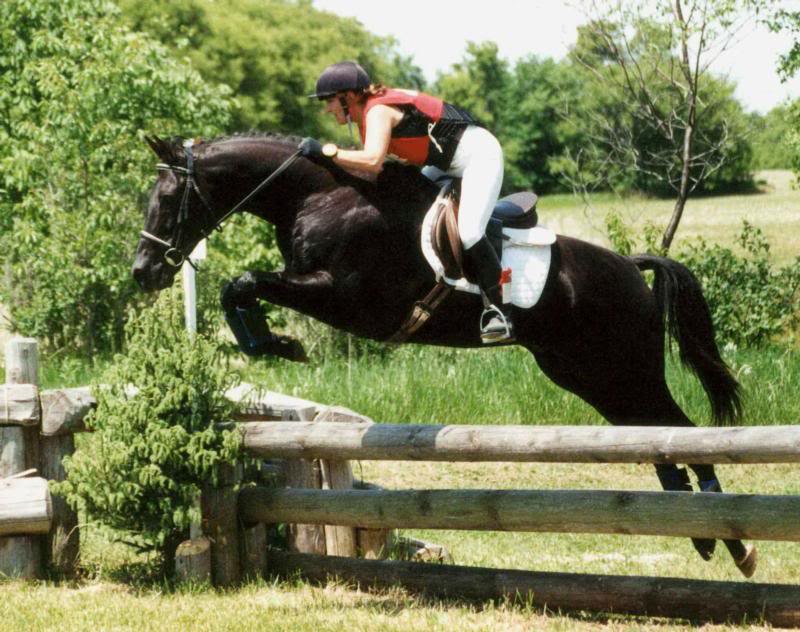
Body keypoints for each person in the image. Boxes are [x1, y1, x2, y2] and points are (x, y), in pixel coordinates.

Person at [300, 60, 512, 344]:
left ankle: (500, 310)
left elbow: (373, 162)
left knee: (469, 231)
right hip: (446, 163)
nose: (327, 109)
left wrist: (328, 152)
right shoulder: (371, 112)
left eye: (329, 101)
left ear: (347, 97)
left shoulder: (377, 111)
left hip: (478, 157)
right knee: (417, 215)